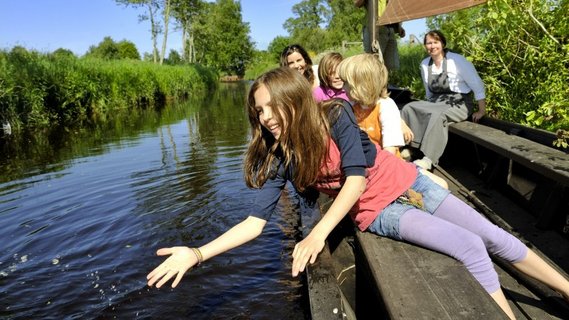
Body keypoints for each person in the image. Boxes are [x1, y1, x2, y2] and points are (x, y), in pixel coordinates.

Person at [146, 67, 569, 319]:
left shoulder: (334, 116)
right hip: (377, 210)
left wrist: (317, 233)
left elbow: (356, 176)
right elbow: (254, 223)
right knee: (470, 246)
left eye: (271, 106)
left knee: (495, 236)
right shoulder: (280, 157)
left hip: (407, 182)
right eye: (258, 110)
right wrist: (198, 253)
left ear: (294, 101)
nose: (264, 116)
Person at [338, 53, 447, 189]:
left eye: (346, 83)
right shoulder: (353, 105)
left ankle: (418, 167)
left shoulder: (385, 106)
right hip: (364, 164)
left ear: (361, 85)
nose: (342, 88)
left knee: (441, 185)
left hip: (387, 166)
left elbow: (389, 152)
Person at [400, 30, 487, 170]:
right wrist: (427, 106)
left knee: (437, 115)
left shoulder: (457, 60)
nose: (432, 46)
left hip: (460, 102)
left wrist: (482, 110)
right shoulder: (424, 64)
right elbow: (429, 91)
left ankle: (429, 158)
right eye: (429, 43)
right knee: (409, 108)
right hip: (437, 101)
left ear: (443, 43)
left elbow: (477, 84)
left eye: (436, 42)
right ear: (425, 46)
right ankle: (409, 148)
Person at [354, 0, 405, 71]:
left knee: (392, 66)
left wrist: (399, 27)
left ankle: (386, 81)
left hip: (390, 28)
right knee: (373, 64)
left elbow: (391, 8)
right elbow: (357, 3)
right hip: (374, 28)